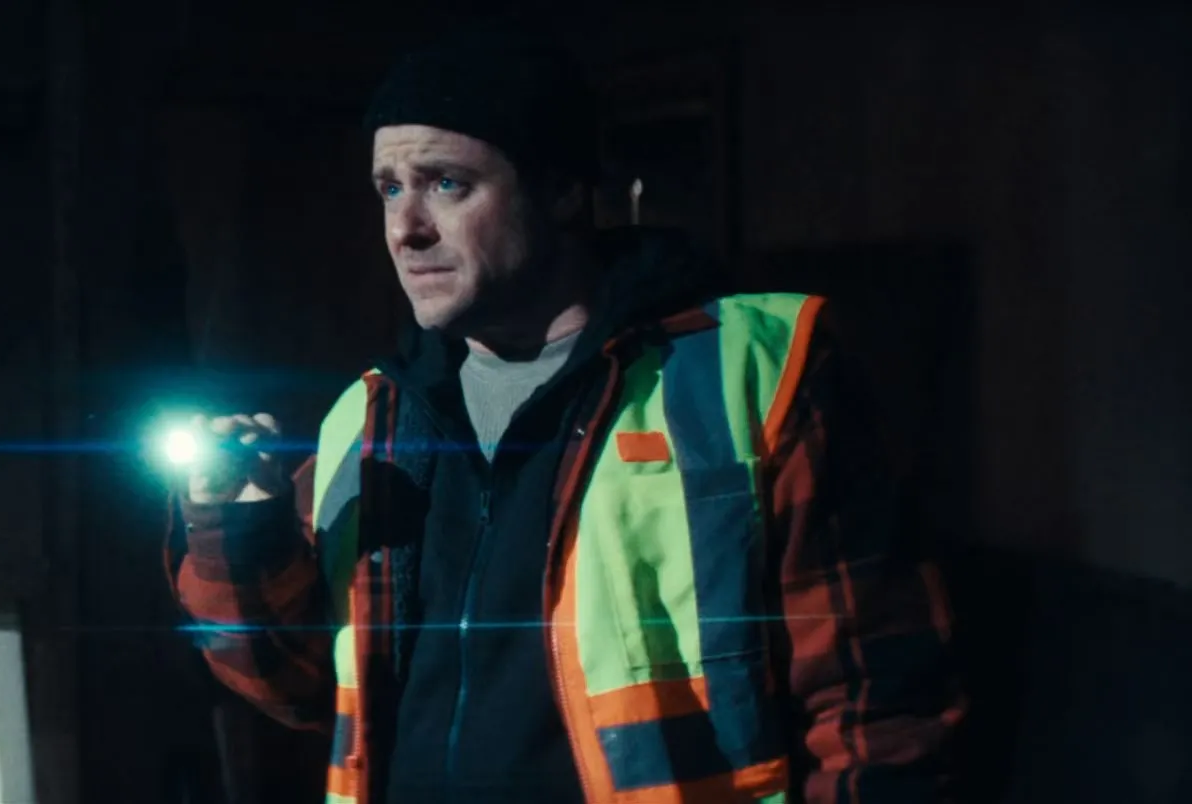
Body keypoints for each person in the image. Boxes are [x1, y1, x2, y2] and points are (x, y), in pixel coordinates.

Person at [163, 21, 964, 804]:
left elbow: (880, 703)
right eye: (390, 189)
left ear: (563, 190)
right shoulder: (372, 420)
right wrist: (237, 530)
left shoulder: (747, 374)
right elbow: (298, 687)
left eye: (448, 184)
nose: (407, 228)